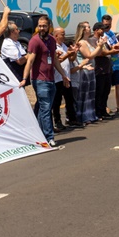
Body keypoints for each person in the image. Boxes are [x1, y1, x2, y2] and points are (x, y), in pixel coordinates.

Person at [22, 16, 70, 147]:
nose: (41, 28)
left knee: (42, 107)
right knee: (45, 108)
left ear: (49, 26)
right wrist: (24, 79)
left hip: (51, 80)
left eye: (44, 26)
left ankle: (38, 134)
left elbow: (54, 59)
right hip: (39, 80)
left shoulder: (52, 41)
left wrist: (64, 75)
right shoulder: (34, 41)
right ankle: (49, 137)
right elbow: (30, 61)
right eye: (40, 26)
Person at [51, 27, 82, 131]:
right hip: (57, 78)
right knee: (57, 101)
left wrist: (74, 52)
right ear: (56, 36)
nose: (64, 36)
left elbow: (70, 59)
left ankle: (71, 119)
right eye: (62, 34)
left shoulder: (63, 46)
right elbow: (57, 61)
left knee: (69, 99)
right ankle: (57, 121)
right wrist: (68, 54)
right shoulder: (54, 47)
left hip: (66, 77)